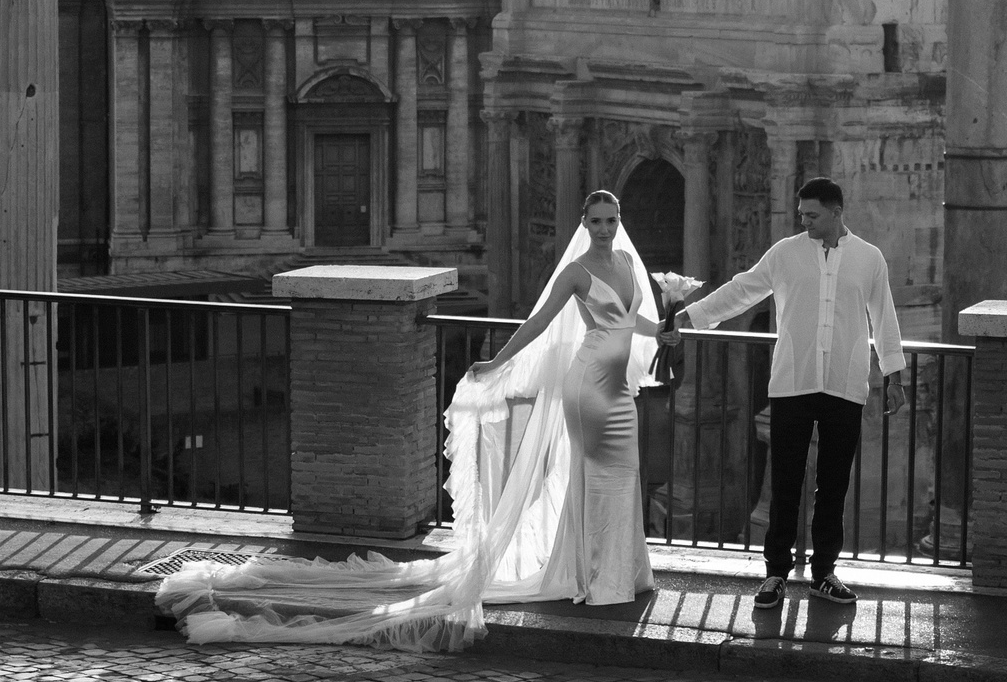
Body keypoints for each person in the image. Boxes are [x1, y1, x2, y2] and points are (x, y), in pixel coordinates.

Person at [149, 191, 658, 650]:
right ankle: (595, 577)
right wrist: (496, 362)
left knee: (621, 477)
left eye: (611, 220)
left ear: (619, 220)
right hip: (587, 387)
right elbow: (541, 322)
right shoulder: (577, 271)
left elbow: (631, 320)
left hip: (617, 392)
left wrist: (666, 329)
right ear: (584, 223)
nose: (604, 229)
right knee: (593, 479)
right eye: (596, 221)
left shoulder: (628, 265)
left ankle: (621, 573)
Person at [663, 177, 904, 609]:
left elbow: (883, 318)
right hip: (793, 383)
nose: (804, 221)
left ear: (836, 212)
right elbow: (742, 290)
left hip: (845, 384)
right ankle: (775, 574)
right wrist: (689, 316)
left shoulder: (870, 258)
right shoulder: (785, 253)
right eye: (802, 214)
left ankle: (824, 573)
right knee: (785, 481)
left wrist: (894, 376)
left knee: (834, 485)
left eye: (812, 214)